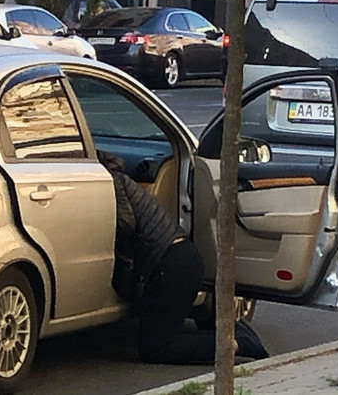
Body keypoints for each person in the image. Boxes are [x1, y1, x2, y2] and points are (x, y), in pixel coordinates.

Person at [98, 150, 268, 364]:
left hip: (170, 265)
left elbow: (125, 226)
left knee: (156, 347)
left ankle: (236, 343)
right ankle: (234, 333)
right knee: (163, 331)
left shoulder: (112, 182)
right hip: (179, 259)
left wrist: (124, 271)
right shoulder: (119, 179)